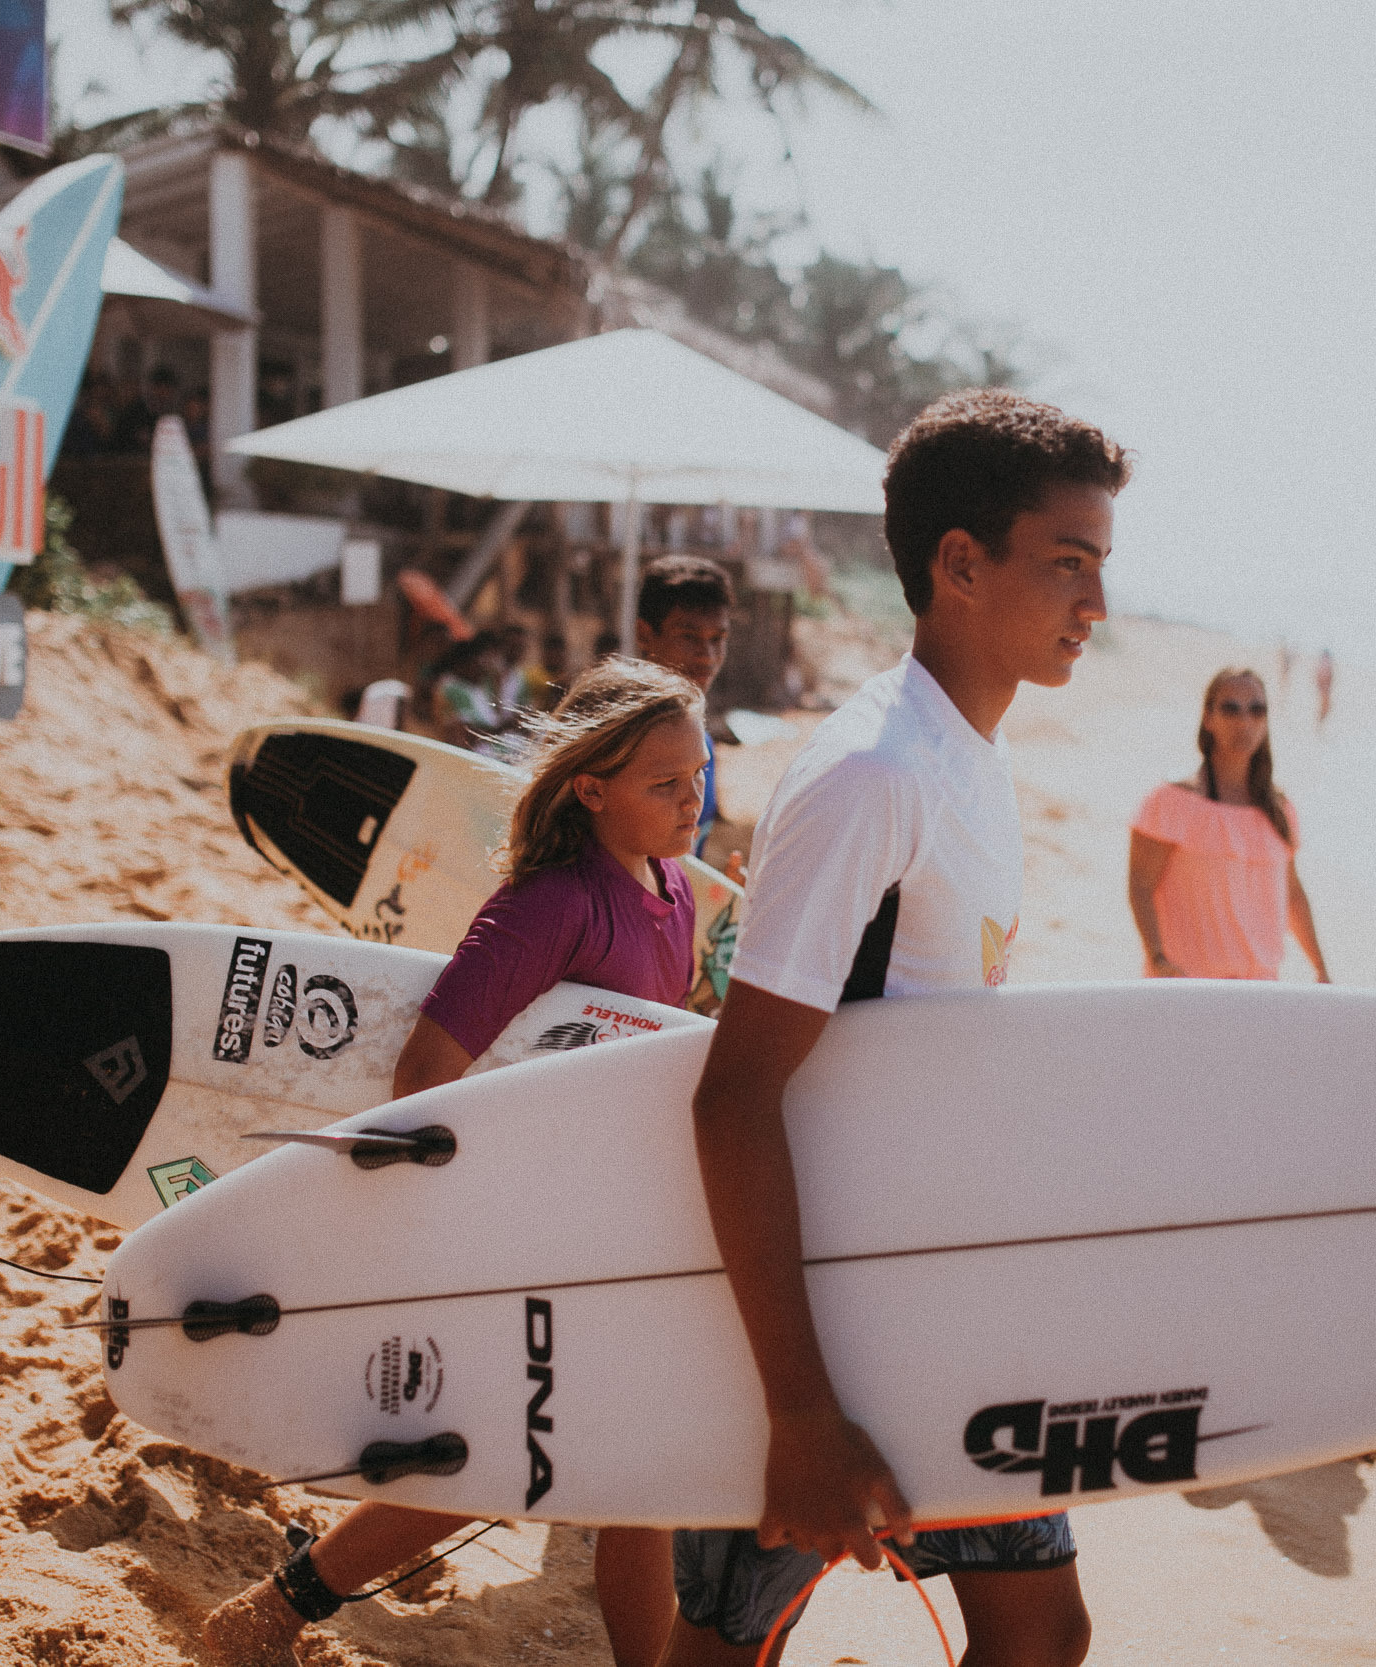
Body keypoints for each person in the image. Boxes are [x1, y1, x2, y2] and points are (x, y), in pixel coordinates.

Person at [666, 389, 1129, 1667]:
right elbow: (734, 1094)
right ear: (960, 564)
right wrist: (798, 1409)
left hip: (934, 1298)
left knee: (1039, 1633)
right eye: (1068, 562)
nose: (1097, 601)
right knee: (729, 1643)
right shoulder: (874, 773)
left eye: (1100, 563)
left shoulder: (964, 754)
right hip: (816, 1320)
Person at [202, 658, 712, 1667]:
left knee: (617, 1466)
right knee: (546, 1455)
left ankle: (274, 1608)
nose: (691, 799)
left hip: (617, 1223)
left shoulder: (675, 889)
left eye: (696, 773)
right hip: (538, 1227)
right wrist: (456, 1218)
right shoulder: (552, 903)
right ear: (589, 787)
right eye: (664, 783)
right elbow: (427, 1067)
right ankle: (272, 1609)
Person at [1127, 669, 1329, 984]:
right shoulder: (1171, 802)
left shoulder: (1279, 809)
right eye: (1231, 709)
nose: (1244, 721)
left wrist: (1320, 969)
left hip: (1261, 990)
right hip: (1187, 986)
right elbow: (1140, 884)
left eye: (1257, 710)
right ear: (1208, 718)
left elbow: (1292, 895)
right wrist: (1157, 958)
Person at [634, 555, 735, 857]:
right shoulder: (618, 739)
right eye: (688, 637)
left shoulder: (700, 742)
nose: (707, 656)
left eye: (717, 639)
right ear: (644, 635)